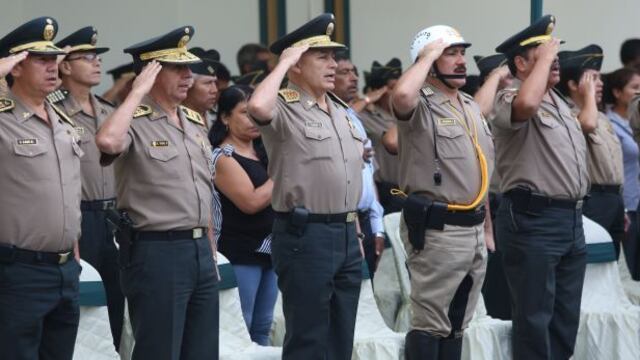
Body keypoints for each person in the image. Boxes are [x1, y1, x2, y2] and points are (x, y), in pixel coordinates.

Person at [95, 26, 219, 360]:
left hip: (199, 251)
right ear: (151, 72)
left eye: (188, 67)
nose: (188, 75)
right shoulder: (131, 119)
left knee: (203, 350)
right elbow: (107, 143)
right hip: (158, 252)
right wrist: (136, 93)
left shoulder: (193, 121)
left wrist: (208, 247)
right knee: (159, 351)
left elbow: (201, 189)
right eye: (177, 68)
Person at [248, 13, 364, 360]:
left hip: (345, 233)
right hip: (306, 236)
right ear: (297, 65)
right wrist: (283, 62)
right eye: (322, 57)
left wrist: (354, 229)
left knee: (341, 337)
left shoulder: (342, 111)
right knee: (308, 339)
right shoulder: (284, 106)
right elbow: (256, 106)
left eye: (334, 57)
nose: (334, 64)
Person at [391, 24, 494, 359]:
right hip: (440, 231)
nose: (461, 60)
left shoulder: (468, 104)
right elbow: (402, 96)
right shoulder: (420, 102)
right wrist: (429, 55)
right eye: (451, 53)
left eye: (461, 52)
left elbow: (481, 172)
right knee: (430, 324)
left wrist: (487, 227)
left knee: (458, 323)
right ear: (429, 61)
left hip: (473, 229)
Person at [492, 15, 588, 360]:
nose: (554, 55)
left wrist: (545, 59)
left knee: (565, 318)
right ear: (520, 63)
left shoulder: (560, 103)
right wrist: (545, 59)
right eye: (542, 51)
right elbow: (525, 106)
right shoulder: (510, 95)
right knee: (534, 318)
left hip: (570, 220)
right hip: (534, 221)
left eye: (554, 50)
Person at [0, 17, 83, 360]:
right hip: (18, 270)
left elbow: (66, 192)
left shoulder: (62, 119)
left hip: (64, 268)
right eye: (41, 60)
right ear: (16, 66)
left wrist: (73, 253)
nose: (54, 68)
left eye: (55, 61)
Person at [53, 25, 125, 351]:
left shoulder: (109, 111)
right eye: (87, 58)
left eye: (98, 58)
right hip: (81, 218)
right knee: (81, 305)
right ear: (65, 66)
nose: (97, 63)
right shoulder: (54, 112)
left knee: (116, 299)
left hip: (116, 217)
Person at [208, 85, 278, 345]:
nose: (254, 121)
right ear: (225, 117)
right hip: (240, 251)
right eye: (245, 113)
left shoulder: (263, 152)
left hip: (270, 248)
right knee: (241, 325)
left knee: (263, 326)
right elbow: (250, 201)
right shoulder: (223, 156)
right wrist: (284, 171)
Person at [558, 45, 625, 260]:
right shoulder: (569, 113)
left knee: (611, 261)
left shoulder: (600, 116)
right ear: (573, 85)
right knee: (590, 262)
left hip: (613, 198)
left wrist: (619, 205)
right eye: (593, 79)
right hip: (593, 198)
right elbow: (585, 124)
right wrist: (587, 97)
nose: (600, 84)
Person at [333, 50, 386, 277]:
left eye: (354, 71)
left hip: (365, 221)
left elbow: (368, 177)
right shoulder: (326, 120)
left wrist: (378, 227)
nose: (354, 77)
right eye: (344, 72)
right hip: (341, 224)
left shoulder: (354, 118)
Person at [472, 53, 514, 321]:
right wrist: (487, 227)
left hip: (509, 204)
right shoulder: (482, 110)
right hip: (491, 203)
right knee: (496, 286)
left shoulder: (512, 106)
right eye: (505, 75)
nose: (512, 81)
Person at [603, 66, 640, 280]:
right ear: (617, 92)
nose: (639, 92)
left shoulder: (633, 119)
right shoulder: (608, 123)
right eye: (635, 87)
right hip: (627, 203)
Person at [358, 58, 403, 214]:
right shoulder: (366, 116)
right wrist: (367, 99)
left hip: (412, 190)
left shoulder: (407, 115)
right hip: (387, 191)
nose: (398, 92)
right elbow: (344, 116)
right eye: (392, 88)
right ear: (380, 91)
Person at [183, 58, 218, 128]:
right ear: (189, 85)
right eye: (208, 83)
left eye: (215, 83)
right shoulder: (176, 119)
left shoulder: (217, 118)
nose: (215, 90)